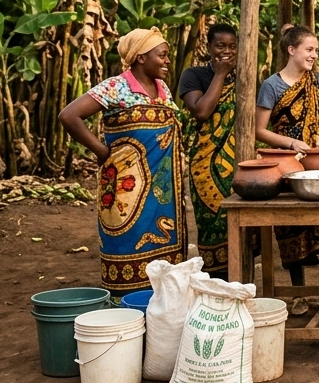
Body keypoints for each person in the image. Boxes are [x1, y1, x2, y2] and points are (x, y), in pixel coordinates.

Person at [58, 28, 187, 294]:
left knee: (163, 257)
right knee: (126, 243)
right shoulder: (115, 87)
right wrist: (101, 151)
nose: (167, 61)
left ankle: (162, 308)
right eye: (161, 55)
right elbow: (69, 116)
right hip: (125, 190)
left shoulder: (162, 88)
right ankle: (125, 308)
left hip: (162, 194)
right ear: (141, 57)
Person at [256, 25, 319, 287]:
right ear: (291, 50)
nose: (314, 55)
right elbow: (259, 131)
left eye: (315, 50)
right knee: (291, 226)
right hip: (287, 164)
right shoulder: (271, 85)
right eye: (309, 49)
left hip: (318, 163)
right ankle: (298, 293)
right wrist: (292, 143)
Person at [179, 23, 239, 278]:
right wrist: (220, 75)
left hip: (238, 163)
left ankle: (241, 282)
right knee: (212, 225)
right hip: (205, 167)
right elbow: (201, 111)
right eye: (220, 46)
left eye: (232, 46)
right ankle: (217, 285)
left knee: (240, 226)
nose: (226, 51)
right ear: (209, 47)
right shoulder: (193, 75)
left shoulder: (244, 77)